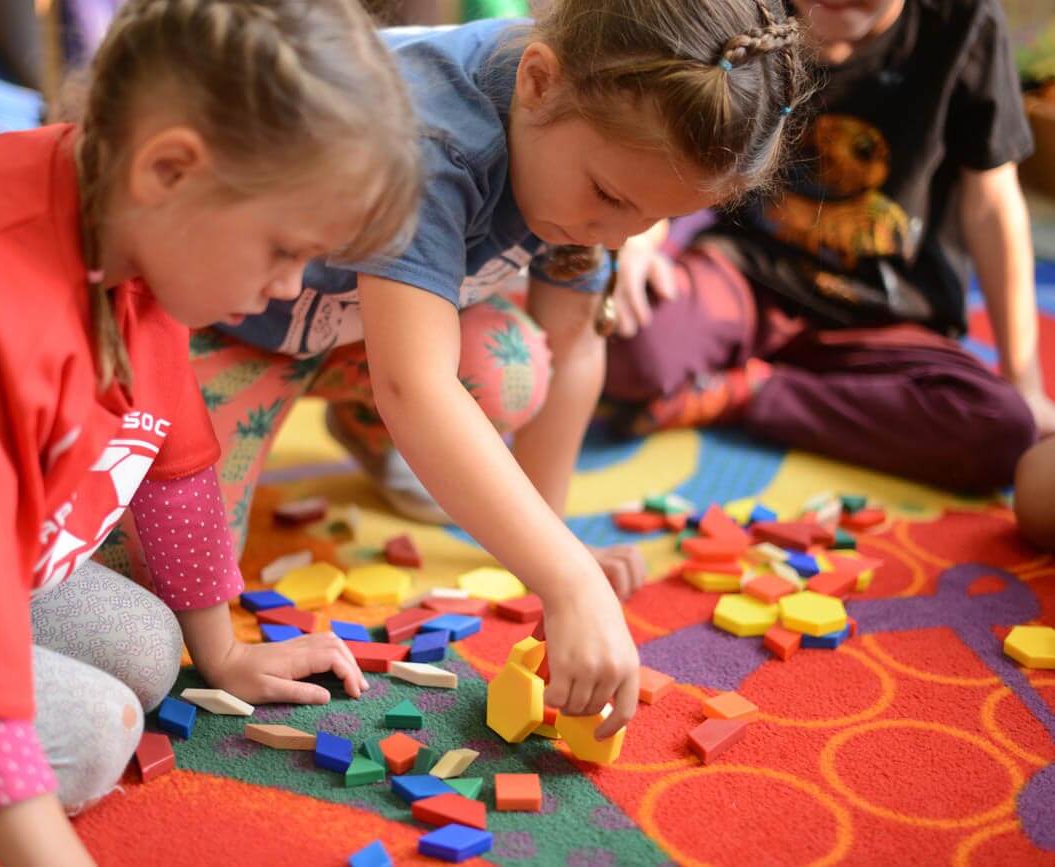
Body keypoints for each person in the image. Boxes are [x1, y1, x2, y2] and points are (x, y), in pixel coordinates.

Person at [199, 0, 812, 742]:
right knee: (181, 576)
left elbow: (575, 344)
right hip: (224, 319)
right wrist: (569, 579)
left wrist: (546, 543)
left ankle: (359, 422)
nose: (616, 233)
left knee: (510, 367)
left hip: (357, 321)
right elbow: (414, 386)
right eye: (611, 197)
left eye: (645, 220)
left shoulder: (589, 128)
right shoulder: (430, 138)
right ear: (537, 83)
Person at [0, 0, 419, 861]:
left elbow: (167, 457)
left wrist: (224, 650)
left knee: (152, 648)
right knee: (92, 734)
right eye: (282, 250)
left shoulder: (130, 217)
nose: (290, 288)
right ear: (170, 169)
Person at [606, 0, 1046, 494]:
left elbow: (991, 205)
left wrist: (1022, 379)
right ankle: (785, 390)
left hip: (886, 316)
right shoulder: (749, 10)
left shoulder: (963, 22)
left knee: (1000, 428)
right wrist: (640, 237)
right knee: (622, 344)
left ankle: (747, 391)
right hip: (749, 277)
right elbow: (674, 134)